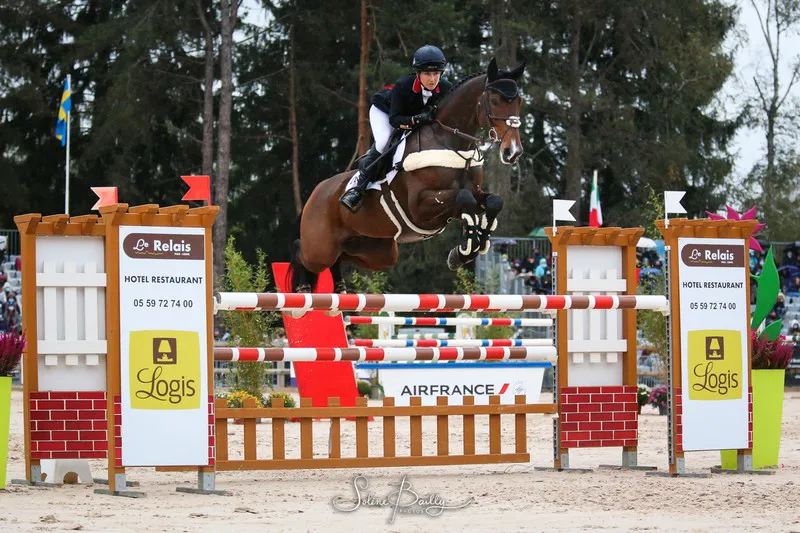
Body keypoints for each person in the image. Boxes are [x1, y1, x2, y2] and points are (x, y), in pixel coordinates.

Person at [339, 45, 453, 212]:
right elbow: (395, 120)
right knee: (385, 141)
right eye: (427, 74)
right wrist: (416, 119)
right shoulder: (403, 85)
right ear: (418, 73)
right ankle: (359, 186)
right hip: (385, 112)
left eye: (436, 74)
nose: (432, 79)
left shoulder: (445, 87)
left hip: (410, 116)